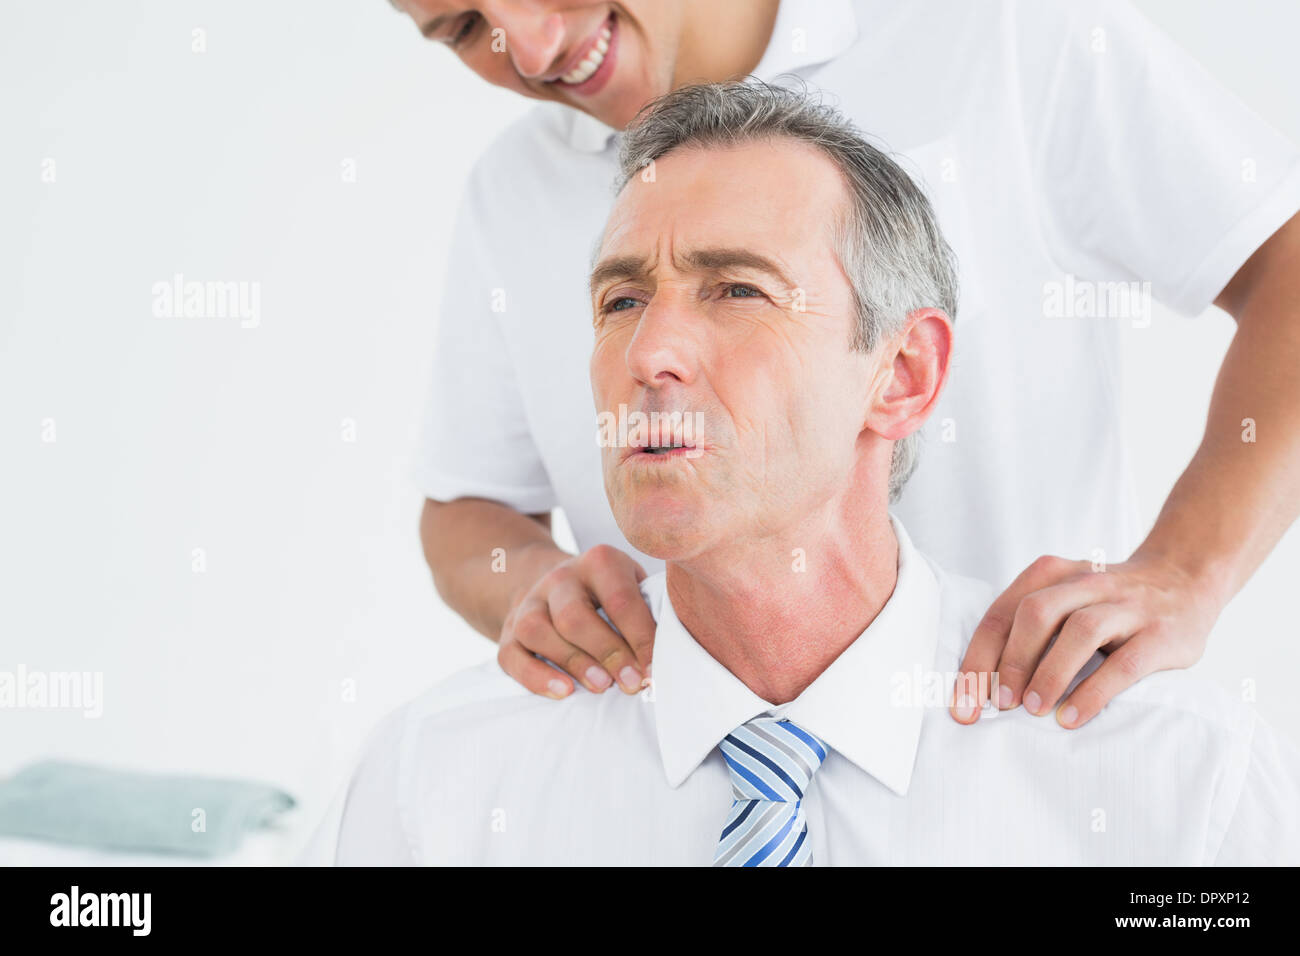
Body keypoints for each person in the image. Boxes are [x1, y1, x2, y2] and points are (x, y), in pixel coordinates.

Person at [334, 83, 1300, 865]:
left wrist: (1189, 571)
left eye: (738, 290)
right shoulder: (439, 789)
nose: (649, 351)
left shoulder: (1176, 788)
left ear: (904, 374)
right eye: (621, 299)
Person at [404, 0, 1300, 728]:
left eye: (739, 290)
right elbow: (467, 502)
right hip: (689, 766)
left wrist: (1189, 571)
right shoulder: (509, 190)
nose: (530, 44)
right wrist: (526, 583)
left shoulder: (998, 33)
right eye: (456, 28)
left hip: (1020, 733)